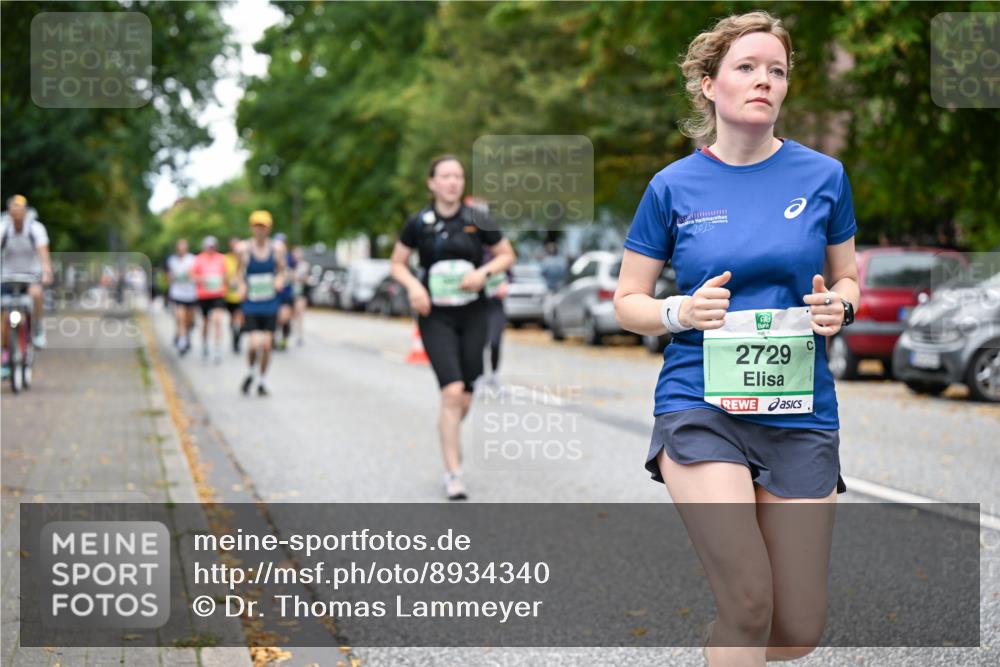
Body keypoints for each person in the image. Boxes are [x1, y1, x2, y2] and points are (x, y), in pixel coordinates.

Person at [613, 12, 859, 666]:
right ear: (708, 84)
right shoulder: (673, 186)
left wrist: (841, 306)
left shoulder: (824, 178)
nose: (764, 81)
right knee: (749, 600)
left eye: (776, 71)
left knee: (796, 625)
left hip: (801, 410)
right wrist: (679, 312)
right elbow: (627, 301)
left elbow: (848, 278)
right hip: (702, 405)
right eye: (747, 67)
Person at [390, 155, 516, 500]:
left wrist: (483, 273)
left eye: (458, 176)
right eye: (445, 176)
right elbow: (397, 263)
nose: (452, 182)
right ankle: (453, 472)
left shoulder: (477, 219)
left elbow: (506, 254)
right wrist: (414, 287)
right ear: (432, 183)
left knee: (465, 394)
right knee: (451, 390)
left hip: (474, 313)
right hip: (436, 316)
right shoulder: (419, 223)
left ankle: (449, 432)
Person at [1, 195, 52, 378]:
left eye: (20, 211)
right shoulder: (3, 228)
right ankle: (6, 357)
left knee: (36, 293)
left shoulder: (35, 229)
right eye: (14, 211)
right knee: (5, 318)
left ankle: (37, 328)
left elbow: (43, 254)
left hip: (30, 275)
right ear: (9, 212)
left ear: (25, 212)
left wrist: (46, 272)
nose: (17, 215)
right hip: (6, 277)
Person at [237, 210, 285, 396]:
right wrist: (241, 286)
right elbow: (239, 273)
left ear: (269, 228)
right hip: (252, 303)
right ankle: (250, 373)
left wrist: (280, 279)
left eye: (263, 226)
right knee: (253, 344)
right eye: (257, 226)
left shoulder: (277, 249)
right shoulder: (243, 249)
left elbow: (282, 270)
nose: (260, 230)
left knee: (266, 346)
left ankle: (262, 381)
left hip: (270, 303)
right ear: (251, 227)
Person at [192, 235, 227, 363]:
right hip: (204, 295)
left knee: (217, 320)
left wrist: (223, 283)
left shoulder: (222, 258)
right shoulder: (199, 259)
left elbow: (225, 276)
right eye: (208, 247)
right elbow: (193, 277)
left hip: (218, 294)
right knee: (206, 322)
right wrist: (203, 279)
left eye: (212, 247)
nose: (210, 249)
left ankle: (217, 348)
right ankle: (205, 345)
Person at [166, 238, 197, 355]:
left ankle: (185, 335)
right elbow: (168, 276)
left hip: (190, 294)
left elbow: (196, 274)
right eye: (179, 246)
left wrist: (191, 276)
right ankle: (182, 343)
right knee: (181, 318)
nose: (181, 249)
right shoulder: (172, 260)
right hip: (177, 293)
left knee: (189, 321)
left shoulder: (192, 259)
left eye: (183, 246)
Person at [273, 232, 294, 351]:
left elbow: (296, 272)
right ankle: (273, 338)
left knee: (285, 318)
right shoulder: (270, 256)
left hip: (286, 292)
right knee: (275, 317)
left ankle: (285, 338)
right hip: (274, 293)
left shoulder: (290, 258)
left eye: (282, 243)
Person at [224, 237, 245, 353]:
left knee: (241, 318)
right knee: (232, 318)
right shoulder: (226, 259)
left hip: (242, 295)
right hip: (229, 295)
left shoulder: (245, 258)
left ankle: (238, 337)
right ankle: (234, 335)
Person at [291, 245, 309, 346]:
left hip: (300, 293)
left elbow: (306, 279)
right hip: (290, 293)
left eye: (298, 253)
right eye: (295, 253)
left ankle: (300, 336)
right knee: (291, 314)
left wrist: (298, 278)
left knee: (300, 314)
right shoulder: (289, 264)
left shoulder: (304, 265)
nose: (296, 255)